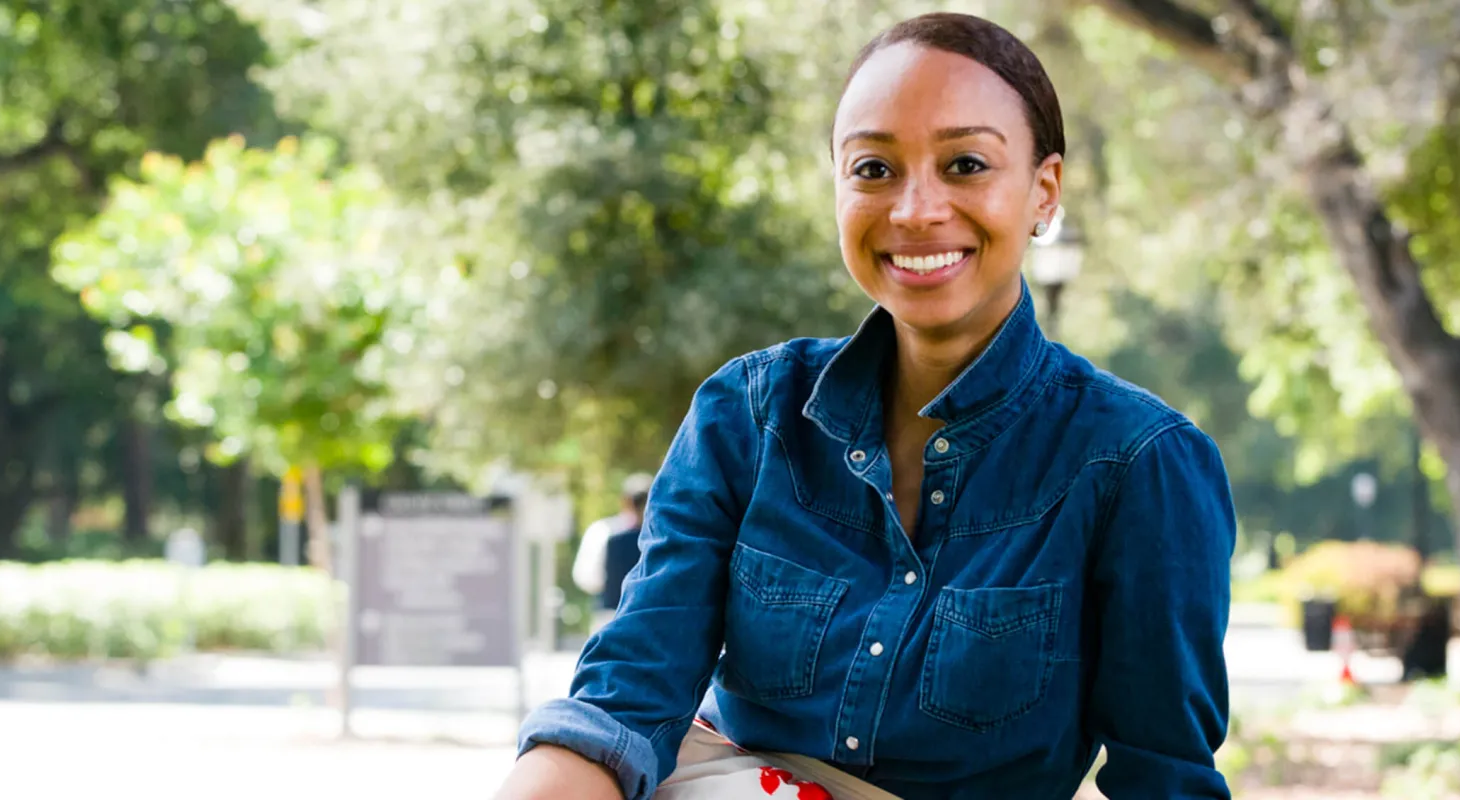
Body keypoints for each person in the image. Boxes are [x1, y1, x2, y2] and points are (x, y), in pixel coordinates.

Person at [497, 12, 1235, 799]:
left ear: (1043, 192)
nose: (915, 210)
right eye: (874, 169)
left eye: (965, 164)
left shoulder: (1138, 463)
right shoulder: (747, 417)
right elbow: (621, 707)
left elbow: (1165, 781)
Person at [572, 474, 655, 630]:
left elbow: (587, 578)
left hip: (610, 617)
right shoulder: (661, 535)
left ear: (625, 501)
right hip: (650, 617)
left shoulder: (602, 531)